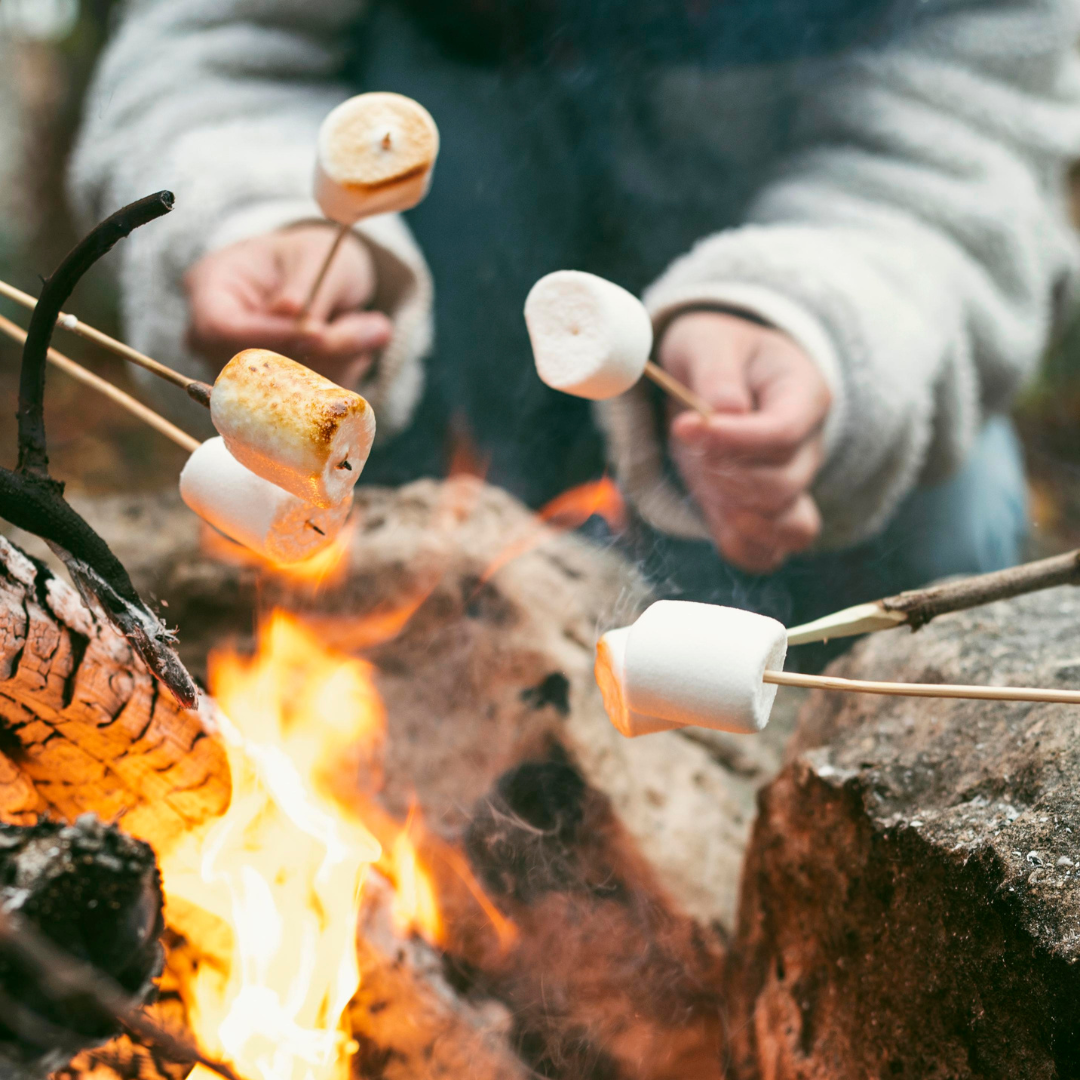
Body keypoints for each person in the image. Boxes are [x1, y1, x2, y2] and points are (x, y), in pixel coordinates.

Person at [69, 0, 1080, 633]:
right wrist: (258, 212)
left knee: (947, 513)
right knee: (309, 555)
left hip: (793, 312)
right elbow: (215, 46)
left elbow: (972, 140)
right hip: (432, 306)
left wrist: (818, 319)